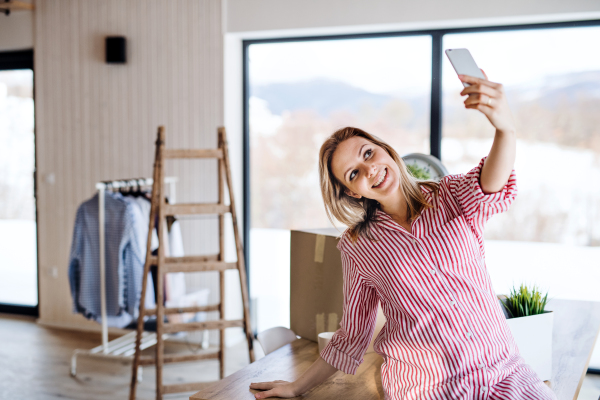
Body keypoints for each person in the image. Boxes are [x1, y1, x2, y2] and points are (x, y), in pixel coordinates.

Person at [249, 72, 557, 399]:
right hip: (429, 389)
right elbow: (351, 335)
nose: (369, 170)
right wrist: (296, 387)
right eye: (354, 173)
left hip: (503, 372)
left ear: (385, 149)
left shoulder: (450, 194)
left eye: (368, 153)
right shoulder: (357, 247)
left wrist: (504, 129)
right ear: (353, 193)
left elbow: (492, 184)